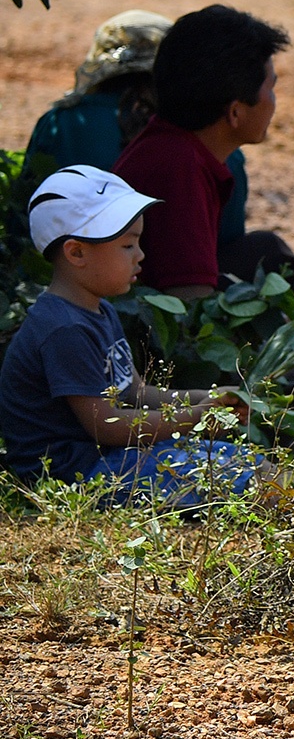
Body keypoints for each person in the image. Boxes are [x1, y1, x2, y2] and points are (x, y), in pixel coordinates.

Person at [0, 166, 259, 503]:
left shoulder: (98, 309)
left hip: (106, 457)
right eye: (127, 245)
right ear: (76, 253)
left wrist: (206, 397)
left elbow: (135, 392)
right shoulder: (63, 329)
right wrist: (198, 417)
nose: (141, 256)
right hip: (75, 474)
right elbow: (106, 425)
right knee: (236, 477)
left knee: (234, 458)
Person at [26, 11, 249, 254]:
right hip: (182, 282)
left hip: (70, 272)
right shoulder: (210, 136)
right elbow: (227, 238)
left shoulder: (62, 122)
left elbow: (25, 212)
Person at [113, 6, 294, 299]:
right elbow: (190, 309)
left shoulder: (171, 144)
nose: (274, 101)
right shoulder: (179, 170)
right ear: (235, 112)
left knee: (269, 252)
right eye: (270, 89)